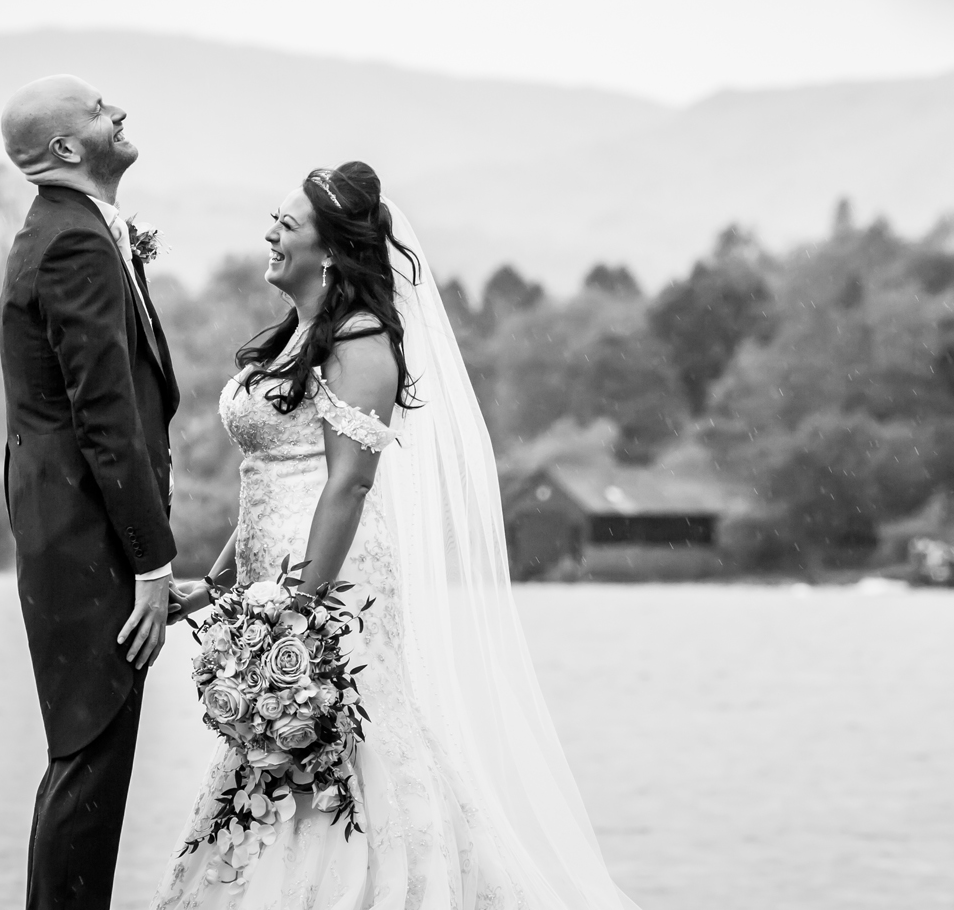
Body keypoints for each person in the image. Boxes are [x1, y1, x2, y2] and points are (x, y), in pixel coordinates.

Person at [152, 162, 638, 909]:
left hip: (332, 584)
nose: (269, 234)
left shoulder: (361, 338)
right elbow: (271, 480)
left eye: (286, 223)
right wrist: (218, 584)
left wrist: (300, 608)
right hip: (271, 582)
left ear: (330, 247)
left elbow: (347, 481)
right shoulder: (298, 332)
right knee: (279, 753)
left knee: (351, 742)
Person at [0, 74, 183, 910]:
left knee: (85, 760)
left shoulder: (73, 231)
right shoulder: (73, 242)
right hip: (87, 540)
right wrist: (151, 562)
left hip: (70, 529)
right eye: (103, 108)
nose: (121, 113)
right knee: (89, 758)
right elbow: (105, 415)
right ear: (69, 148)